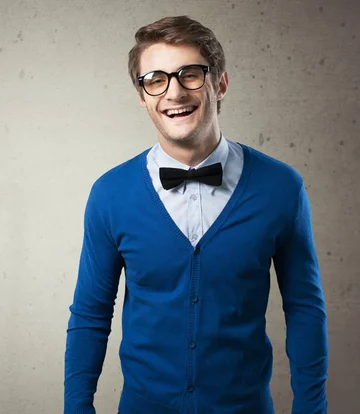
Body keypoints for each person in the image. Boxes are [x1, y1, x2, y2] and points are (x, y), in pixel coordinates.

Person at [63, 15, 328, 414]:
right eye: (155, 78)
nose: (174, 92)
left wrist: (311, 409)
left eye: (190, 75)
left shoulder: (281, 187)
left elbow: (305, 308)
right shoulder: (109, 194)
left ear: (219, 83)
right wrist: (76, 408)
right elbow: (90, 313)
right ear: (141, 94)